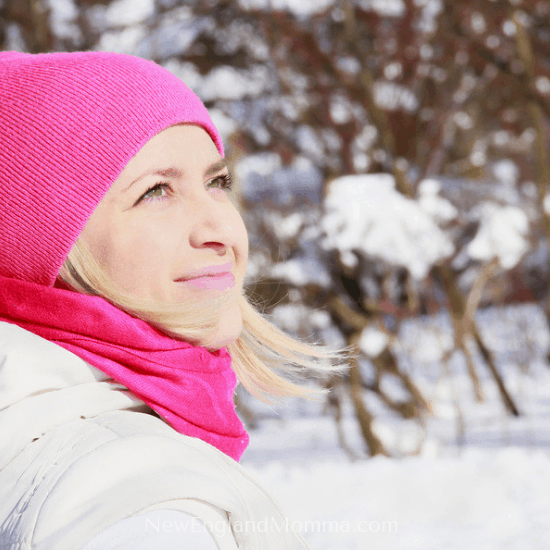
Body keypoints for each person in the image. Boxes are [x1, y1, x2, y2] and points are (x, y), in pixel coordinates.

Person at [0, 51, 349, 549]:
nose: (223, 230)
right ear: (38, 242)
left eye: (217, 182)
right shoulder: (142, 501)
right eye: (156, 191)